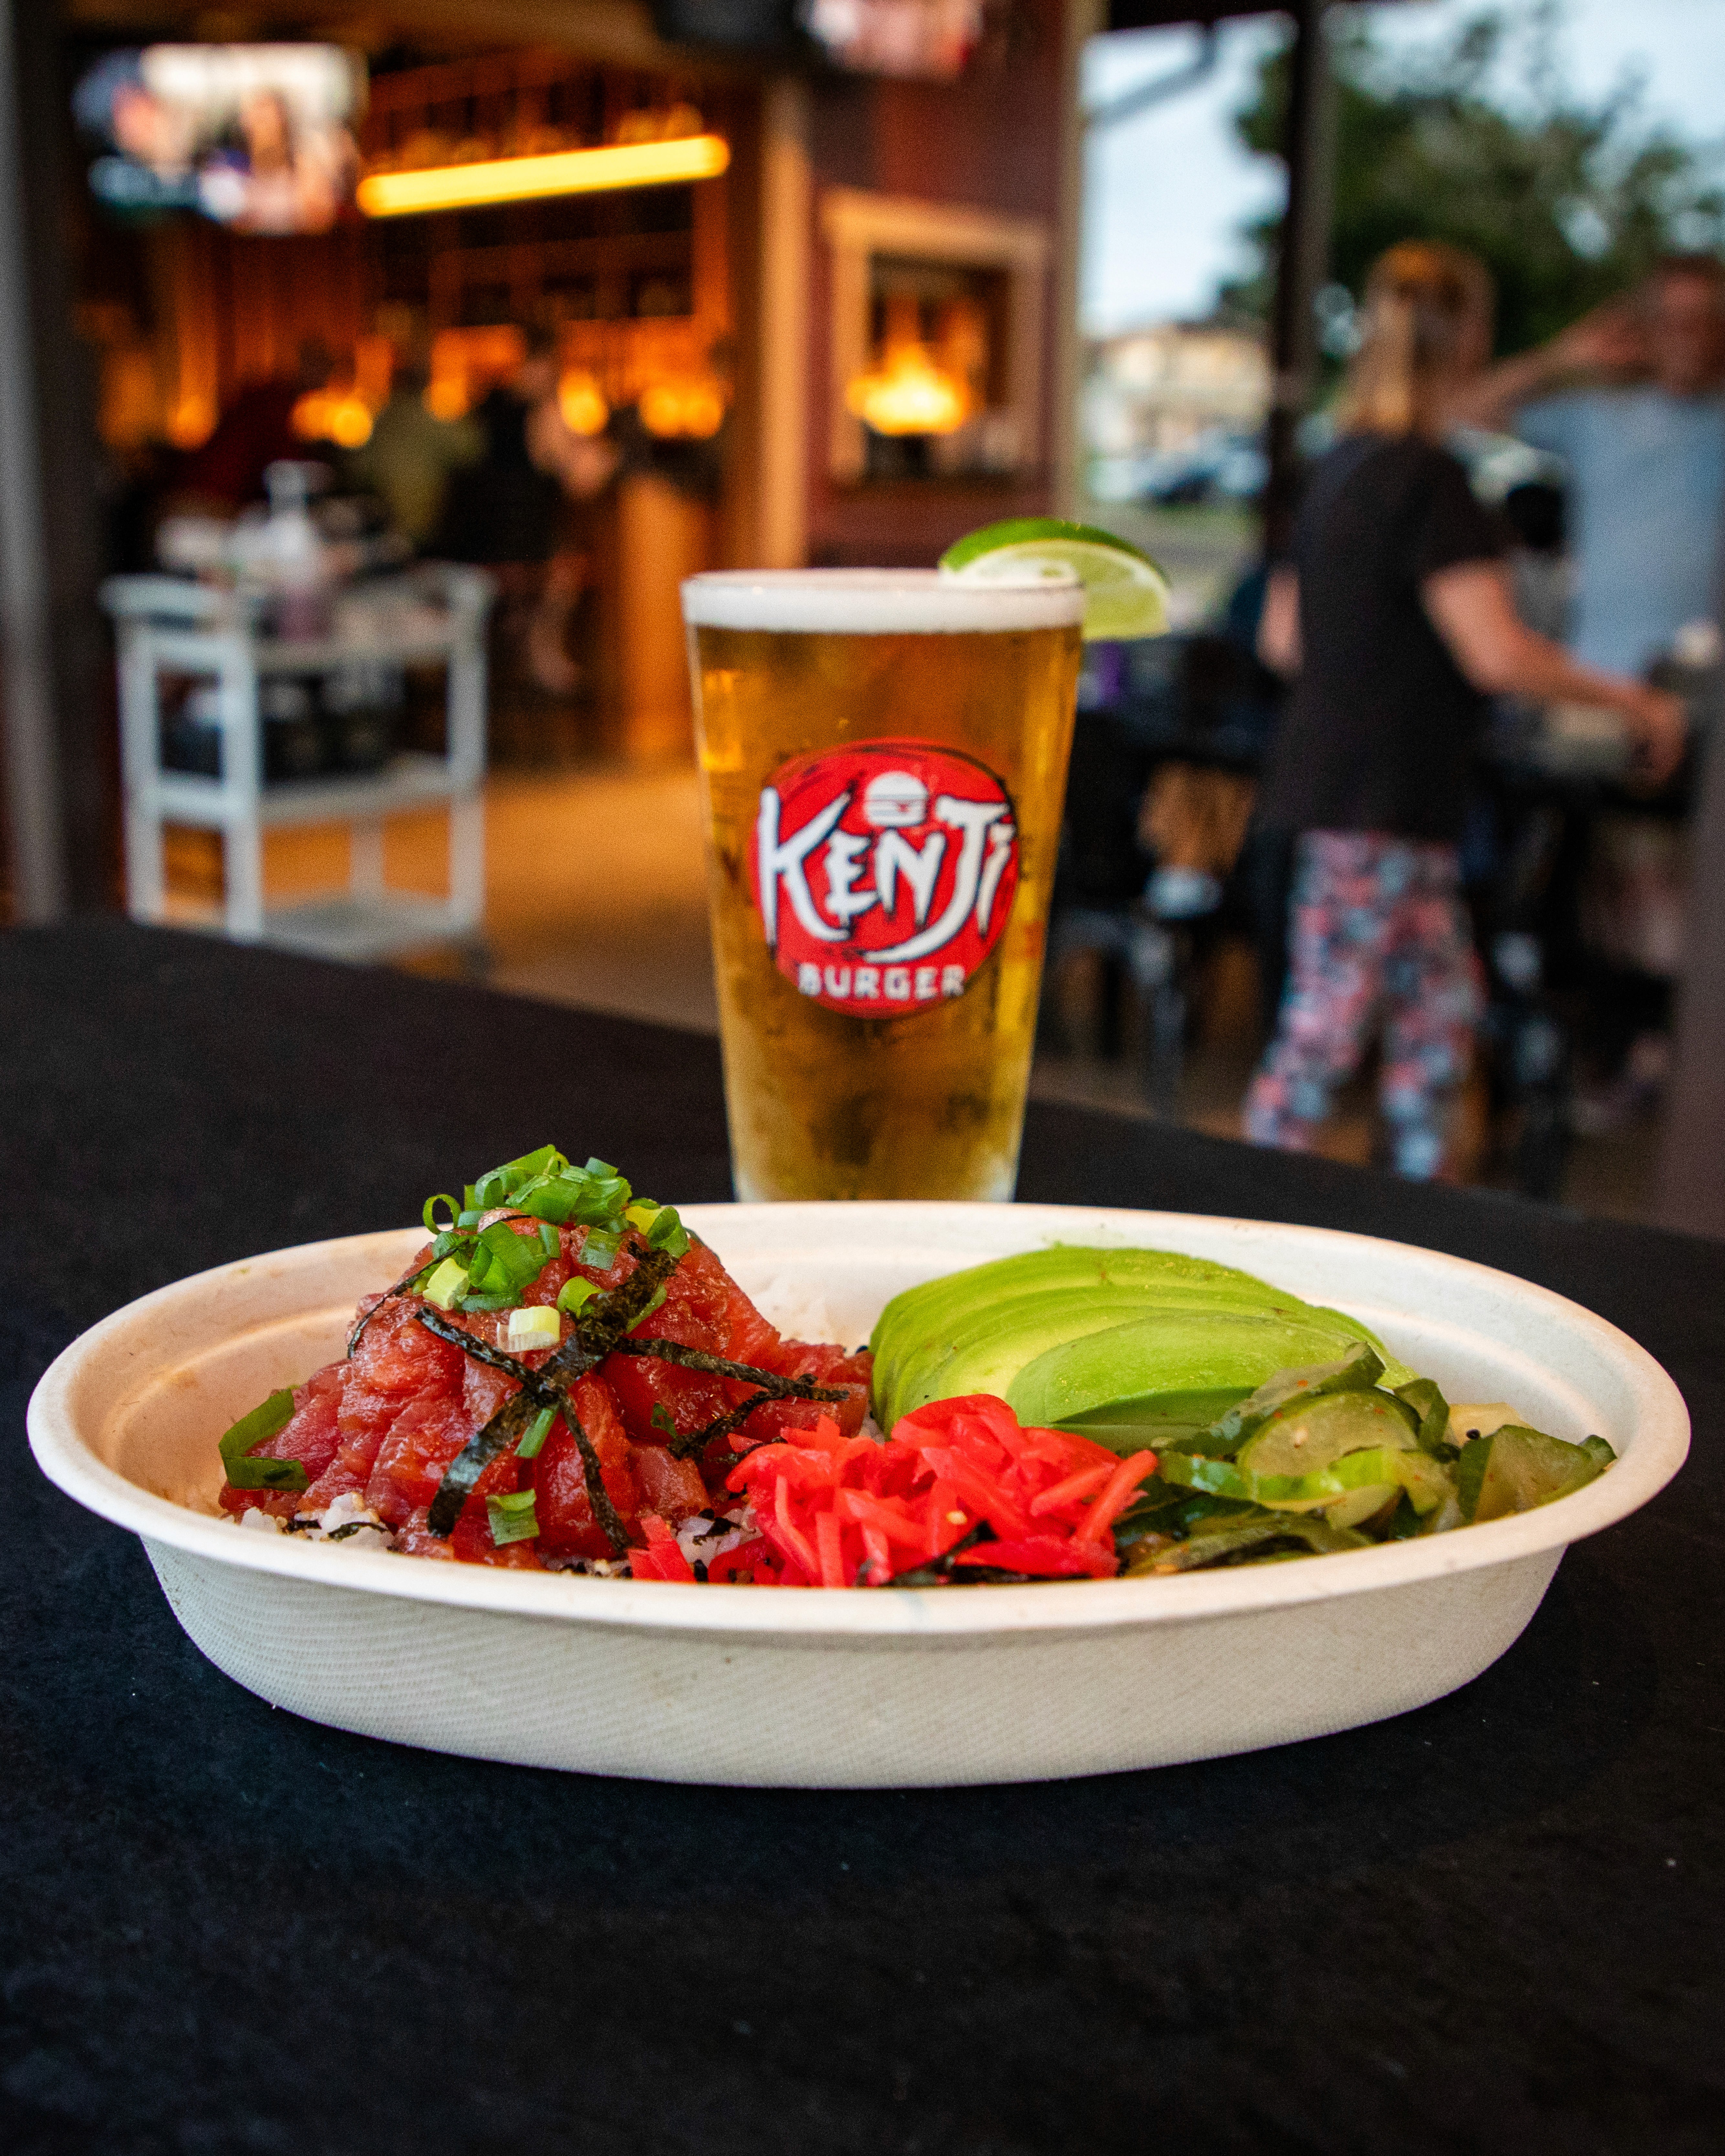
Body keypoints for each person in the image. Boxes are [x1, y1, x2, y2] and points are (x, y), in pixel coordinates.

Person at [1245, 241, 1685, 1179]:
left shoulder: (1339, 466)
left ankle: (1413, 1216)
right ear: (1469, 337)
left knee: (1436, 1020)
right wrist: (1634, 699)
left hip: (1357, 799)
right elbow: (1495, 652)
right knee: (1320, 1040)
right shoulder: (1431, 482)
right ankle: (1241, 1226)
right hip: (1379, 805)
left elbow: (1281, 643)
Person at [1451, 255, 1725, 676]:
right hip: (1604, 677)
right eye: (1668, 320)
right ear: (1645, 326)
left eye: (1700, 318)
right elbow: (1463, 413)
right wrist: (1559, 358)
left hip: (1711, 687)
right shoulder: (1597, 414)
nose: (1684, 335)